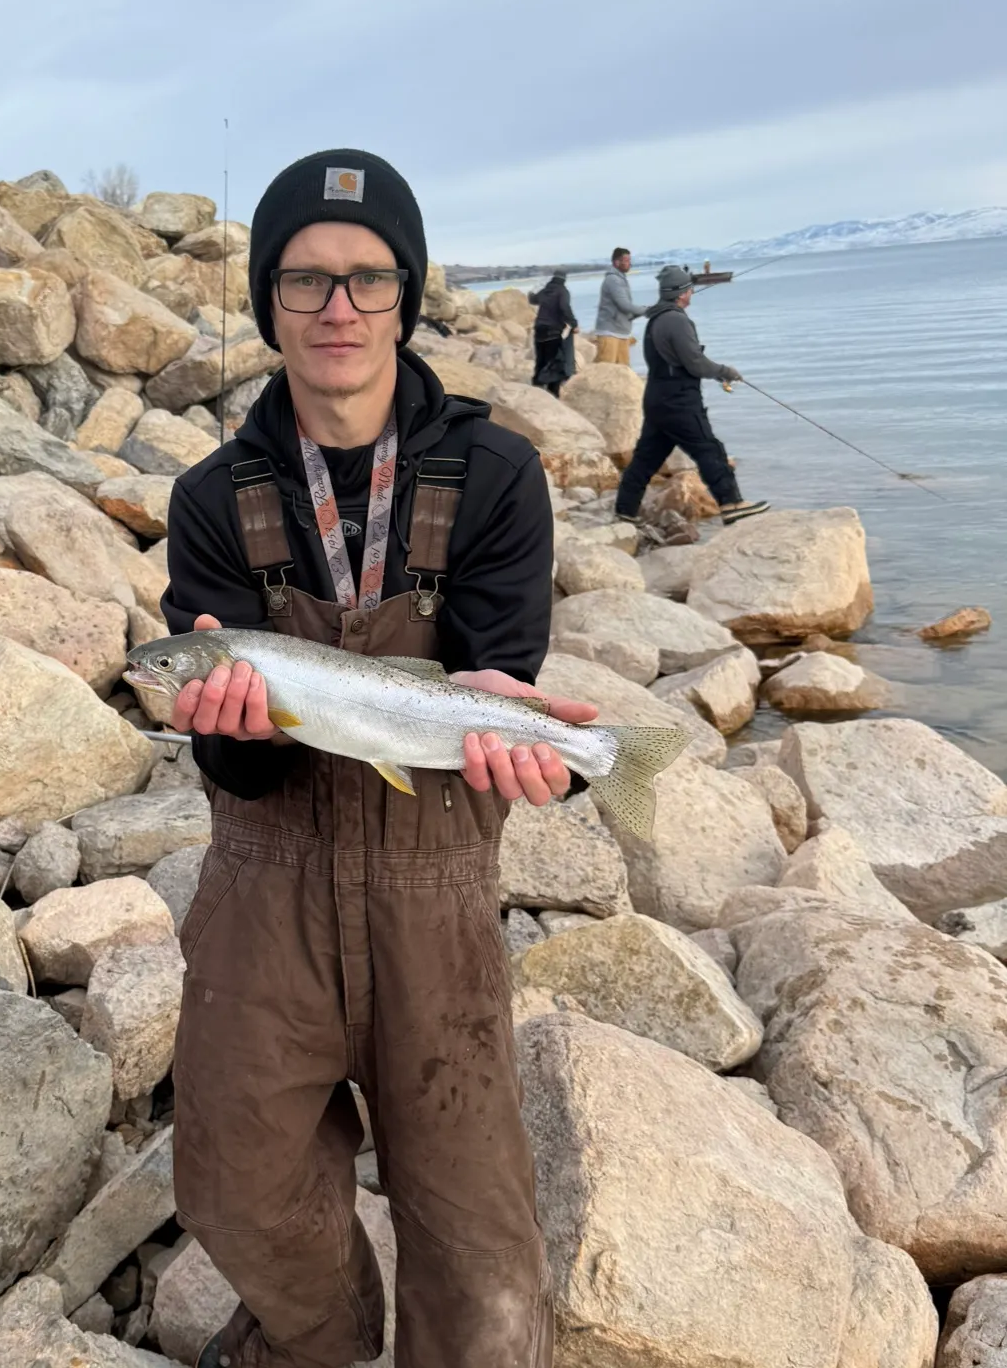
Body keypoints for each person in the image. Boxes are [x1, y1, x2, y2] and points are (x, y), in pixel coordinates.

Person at [160, 148, 584, 1368]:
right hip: (265, 894)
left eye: (367, 279)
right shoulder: (215, 496)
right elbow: (238, 779)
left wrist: (532, 742)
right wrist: (231, 736)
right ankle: (321, 1342)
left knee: (476, 1231)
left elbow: (498, 669)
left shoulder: (494, 473)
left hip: (434, 893)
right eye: (304, 281)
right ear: (268, 303)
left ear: (407, 294)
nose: (337, 309)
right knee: (235, 1184)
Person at [614, 263, 769, 526]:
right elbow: (695, 363)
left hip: (657, 400)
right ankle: (731, 503)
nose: (692, 292)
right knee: (710, 450)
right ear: (680, 293)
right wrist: (725, 371)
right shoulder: (676, 320)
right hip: (679, 402)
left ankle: (624, 512)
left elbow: (684, 361)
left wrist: (718, 373)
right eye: (689, 288)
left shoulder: (656, 320)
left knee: (645, 460)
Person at [527, 267, 576, 396]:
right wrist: (574, 324)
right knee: (553, 363)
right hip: (553, 332)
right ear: (564, 279)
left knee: (540, 360)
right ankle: (553, 393)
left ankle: (537, 387)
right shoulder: (563, 291)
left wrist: (531, 292)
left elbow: (533, 300)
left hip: (539, 330)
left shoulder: (545, 290)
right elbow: (565, 308)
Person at [593, 246, 645, 362]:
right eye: (626, 261)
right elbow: (624, 305)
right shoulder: (613, 280)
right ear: (616, 262)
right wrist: (645, 310)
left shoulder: (620, 279)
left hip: (621, 332)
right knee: (606, 371)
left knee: (623, 371)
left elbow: (625, 309)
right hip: (610, 332)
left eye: (629, 260)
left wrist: (640, 312)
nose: (629, 263)